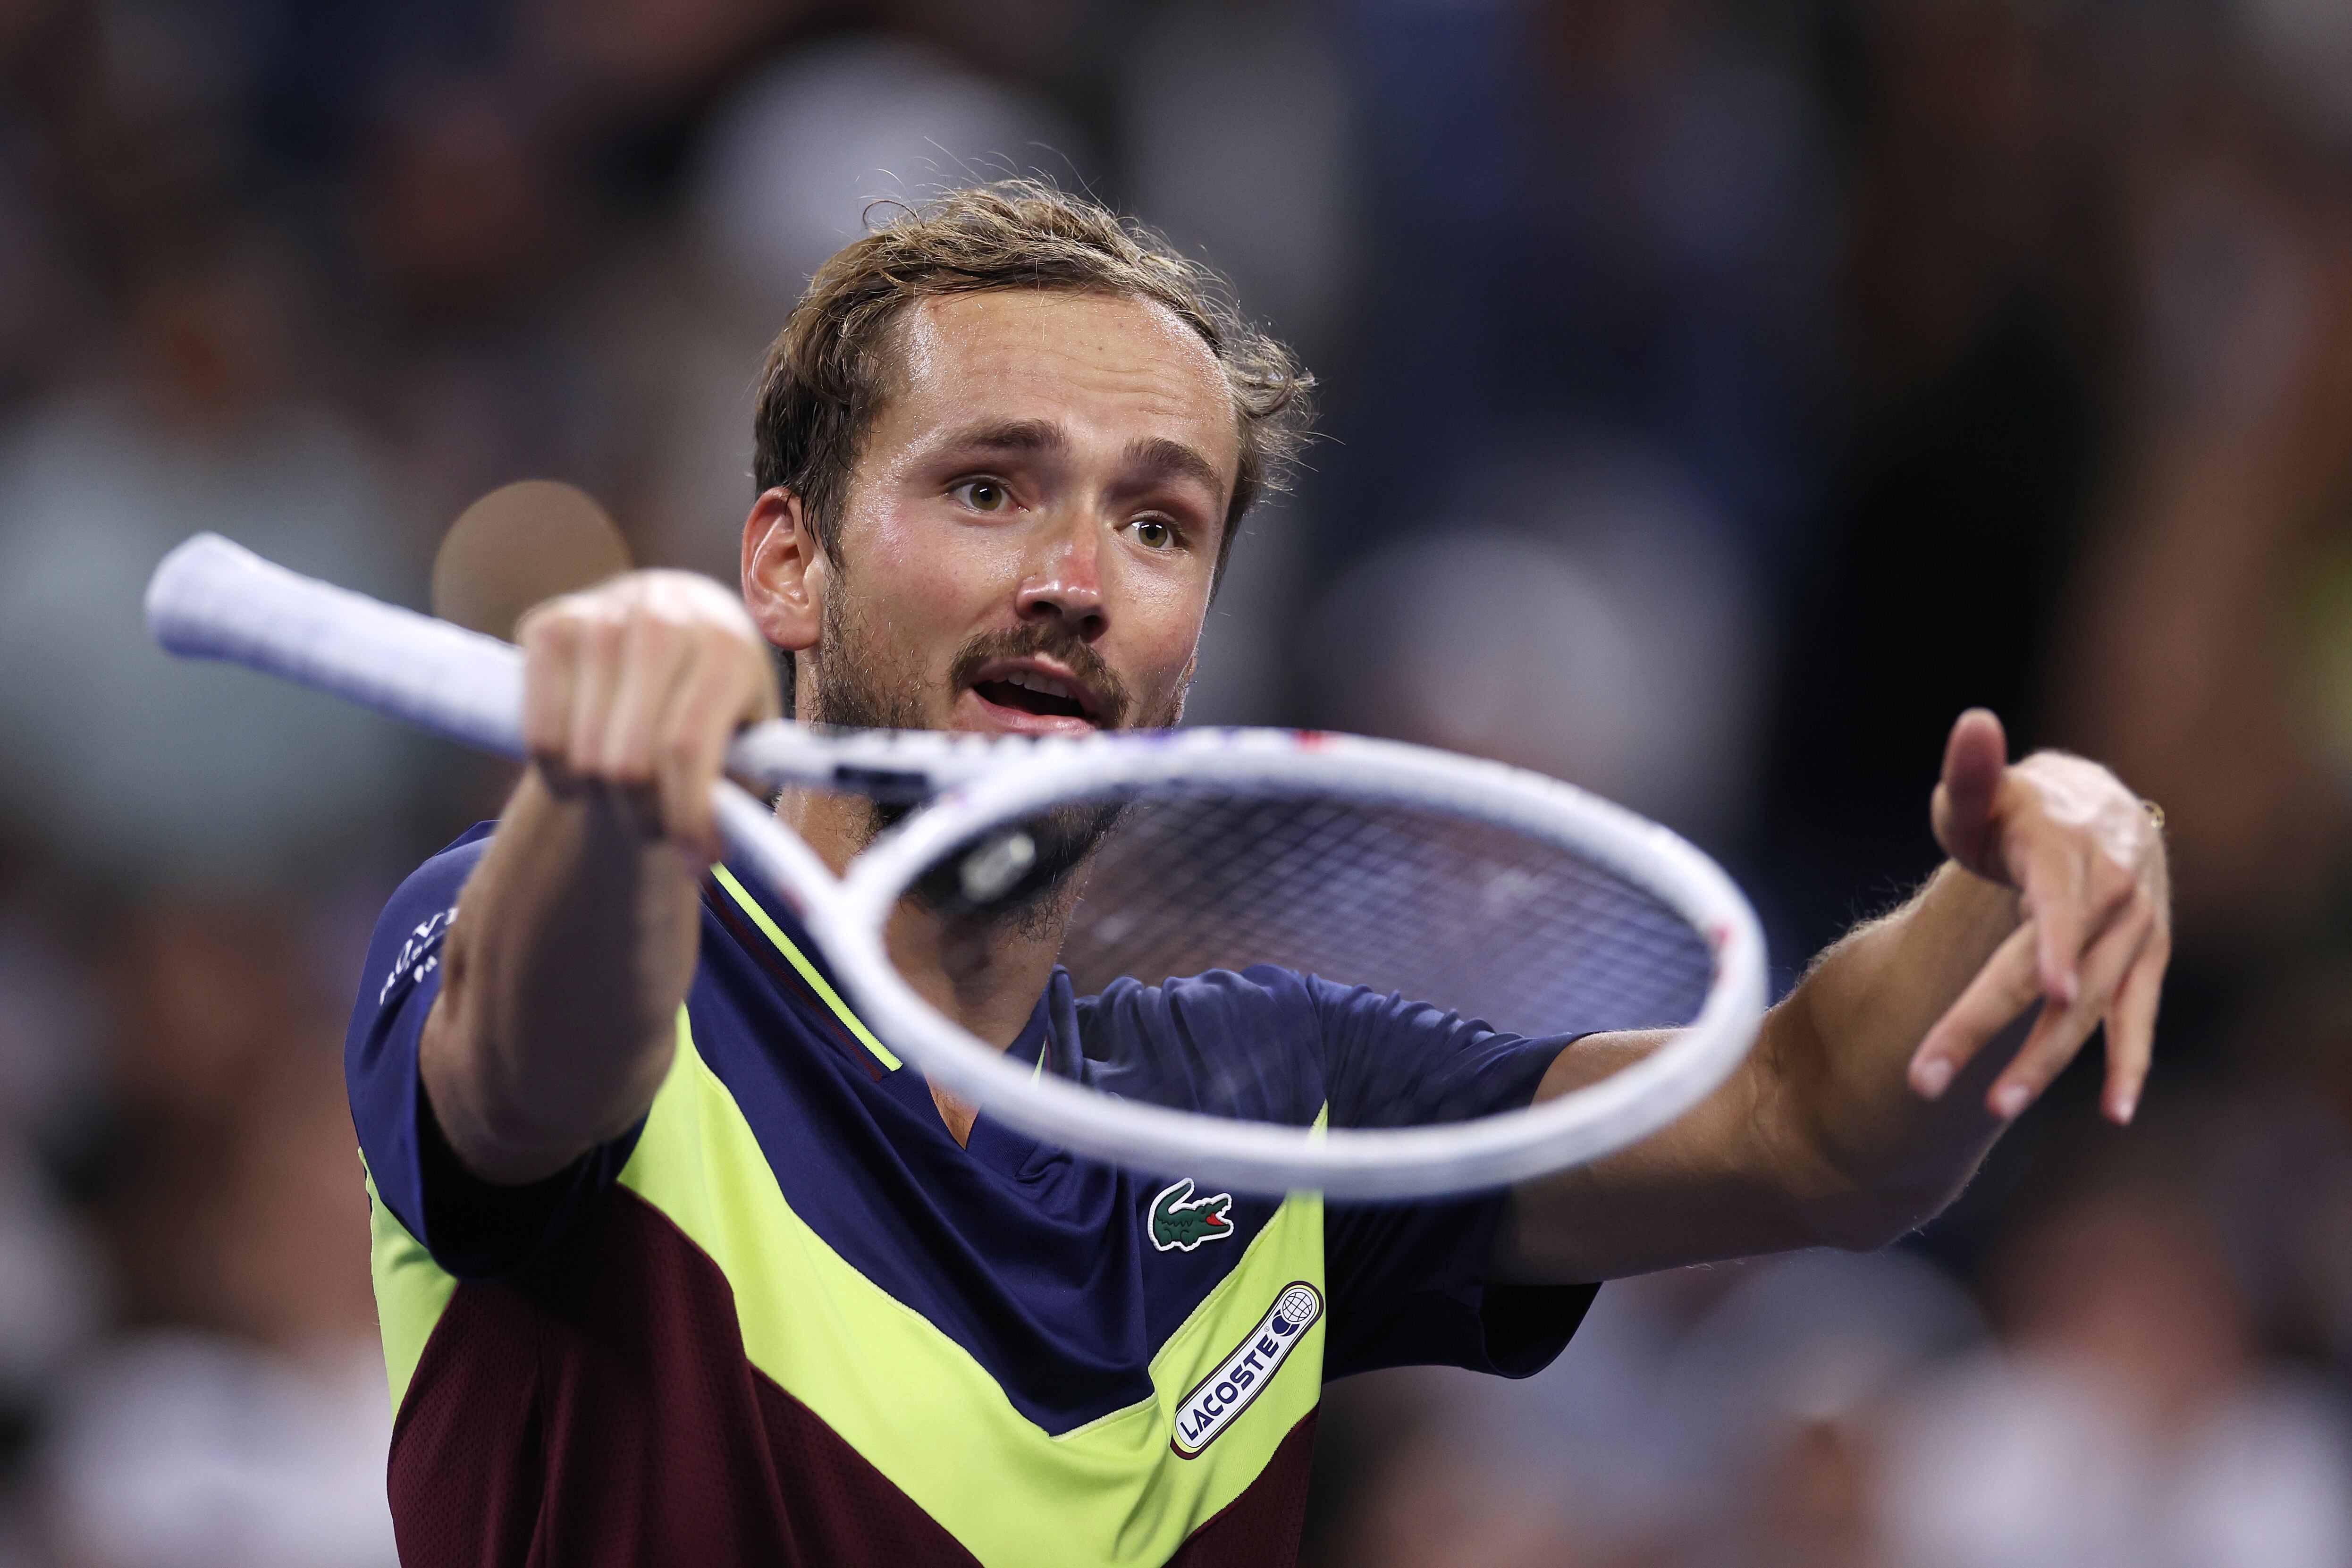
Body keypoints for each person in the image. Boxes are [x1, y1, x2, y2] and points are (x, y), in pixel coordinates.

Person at [344, 181, 2171, 1567]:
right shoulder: (540, 938)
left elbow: (1807, 1130)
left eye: (1158, 522)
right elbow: (528, 1066)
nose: (1077, 574)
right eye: (991, 487)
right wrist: (597, 810)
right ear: (785, 568)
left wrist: (2020, 884)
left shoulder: (1269, 1111)